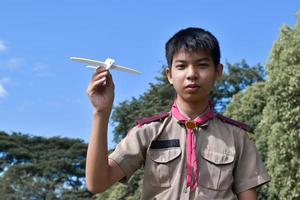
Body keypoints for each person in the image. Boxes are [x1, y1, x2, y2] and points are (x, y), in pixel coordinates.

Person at [85, 27, 271, 199]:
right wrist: (101, 113)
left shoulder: (237, 137)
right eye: (181, 66)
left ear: (218, 71)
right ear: (169, 75)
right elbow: (97, 183)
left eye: (202, 65)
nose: (191, 74)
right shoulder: (148, 132)